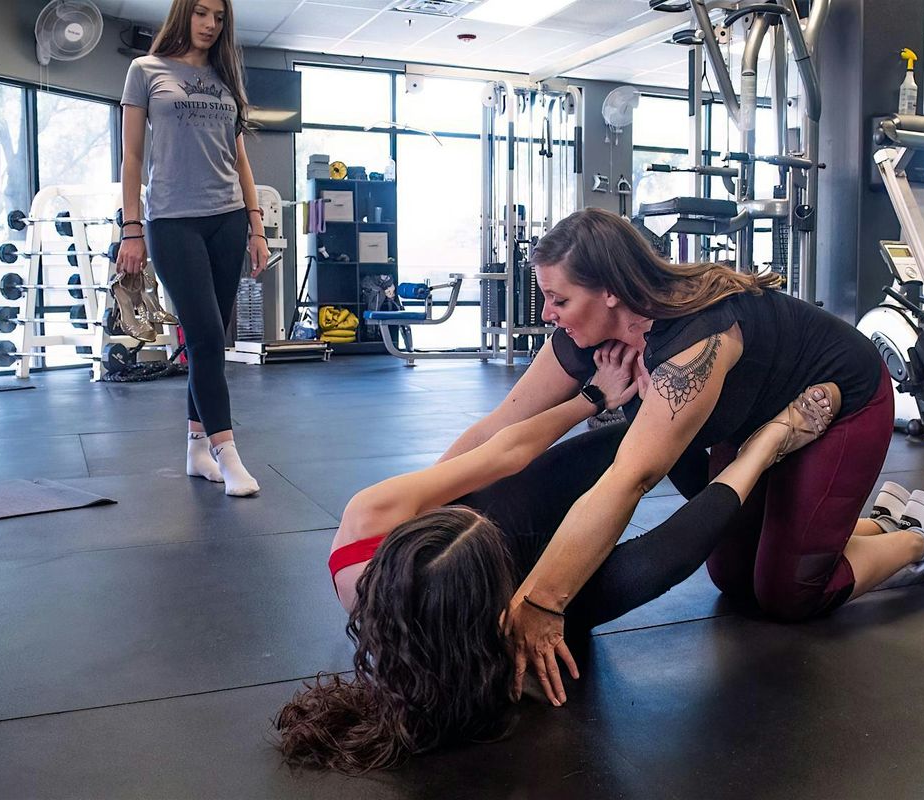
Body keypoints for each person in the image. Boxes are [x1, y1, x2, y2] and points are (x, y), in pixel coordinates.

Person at [441, 208, 924, 704]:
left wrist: (541, 602)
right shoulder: (585, 337)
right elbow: (500, 426)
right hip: (753, 419)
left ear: (609, 291)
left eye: (559, 299)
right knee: (729, 573)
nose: (548, 313)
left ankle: (919, 535)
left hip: (838, 400)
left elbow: (630, 477)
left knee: (789, 593)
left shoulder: (694, 343)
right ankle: (863, 524)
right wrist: (418, 515)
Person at [275, 341, 840, 773]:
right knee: (649, 569)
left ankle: (655, 430)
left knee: (625, 457)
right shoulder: (478, 649)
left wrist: (593, 397)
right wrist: (535, 610)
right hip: (498, 607)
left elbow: (503, 448)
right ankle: (767, 447)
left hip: (466, 564)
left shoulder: (368, 518)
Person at [117, 0, 266, 497]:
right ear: (184, 13)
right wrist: (131, 229)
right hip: (172, 221)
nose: (210, 24)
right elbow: (132, 156)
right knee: (203, 336)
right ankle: (228, 454)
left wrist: (256, 226)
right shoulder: (146, 71)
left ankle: (196, 448)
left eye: (219, 18)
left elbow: (239, 160)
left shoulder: (226, 80)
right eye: (202, 13)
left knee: (210, 341)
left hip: (226, 220)